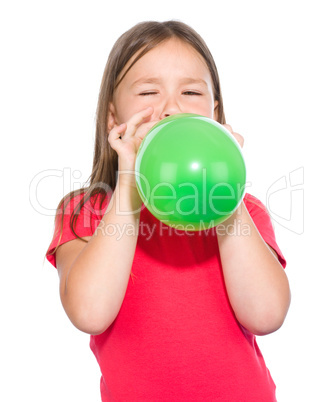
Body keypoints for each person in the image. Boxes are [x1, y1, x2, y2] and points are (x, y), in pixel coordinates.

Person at [46, 20, 291, 401]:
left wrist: (225, 189)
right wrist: (129, 183)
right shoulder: (85, 211)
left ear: (214, 112)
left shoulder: (245, 211)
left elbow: (266, 315)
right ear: (113, 118)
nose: (172, 108)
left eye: (191, 92)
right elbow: (89, 312)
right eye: (148, 91)